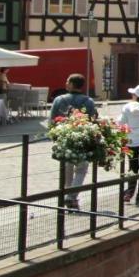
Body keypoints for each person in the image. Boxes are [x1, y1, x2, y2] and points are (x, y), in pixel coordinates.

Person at [49, 74, 97, 210]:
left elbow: (52, 120)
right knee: (81, 170)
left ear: (71, 84)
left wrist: (55, 136)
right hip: (83, 139)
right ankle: (72, 198)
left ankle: (70, 197)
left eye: (67, 81)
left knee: (67, 170)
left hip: (65, 140)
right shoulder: (88, 101)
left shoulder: (59, 100)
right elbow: (93, 120)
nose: (65, 83)